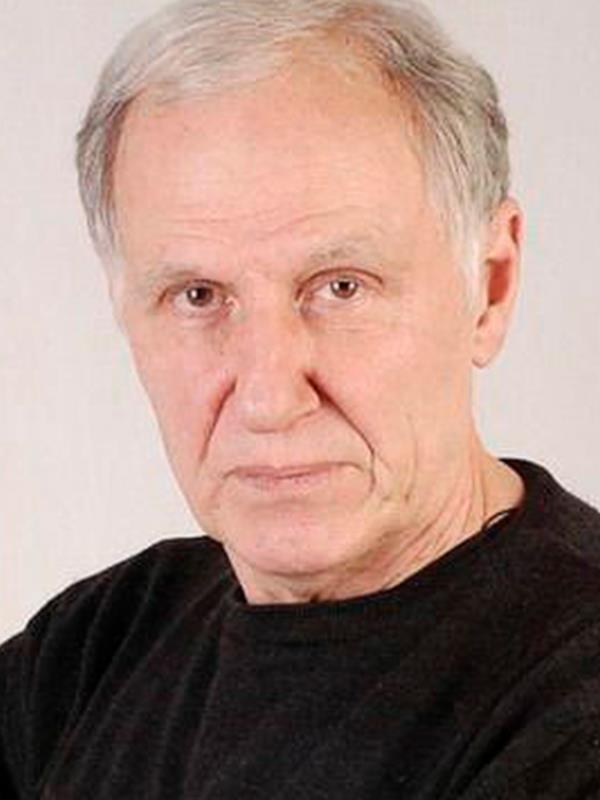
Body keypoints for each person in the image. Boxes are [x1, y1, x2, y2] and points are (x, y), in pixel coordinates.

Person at [1, 0, 599, 797]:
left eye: (340, 287)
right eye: (198, 295)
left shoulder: (572, 705)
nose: (268, 397)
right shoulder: (97, 648)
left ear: (490, 286)